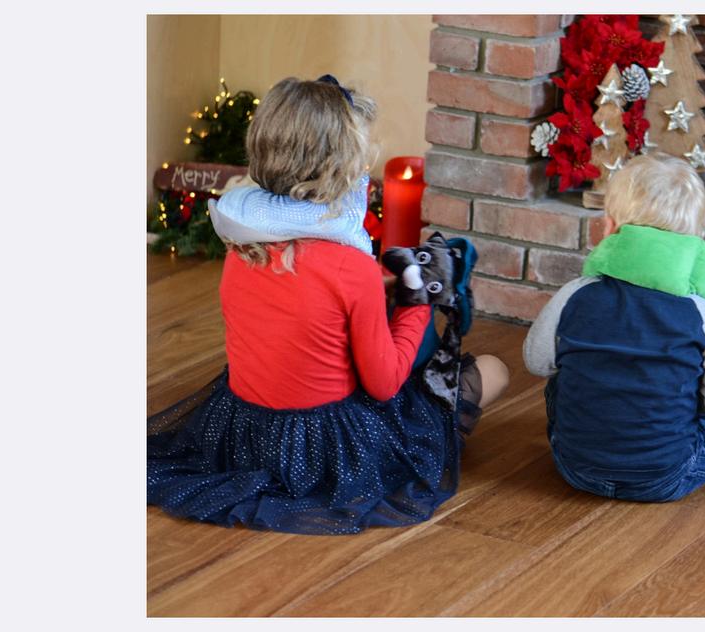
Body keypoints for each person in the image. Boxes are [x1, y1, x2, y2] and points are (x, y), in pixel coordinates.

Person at [147, 76, 508, 535]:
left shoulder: (241, 247)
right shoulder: (349, 267)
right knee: (494, 371)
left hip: (245, 436)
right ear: (343, 169)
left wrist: (376, 289)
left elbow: (306, 302)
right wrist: (418, 298)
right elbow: (383, 384)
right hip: (325, 450)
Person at [522, 153, 705, 502]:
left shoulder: (576, 293)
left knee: (562, 375)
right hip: (664, 477)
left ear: (609, 227)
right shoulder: (701, 313)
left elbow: (536, 362)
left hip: (575, 466)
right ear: (697, 243)